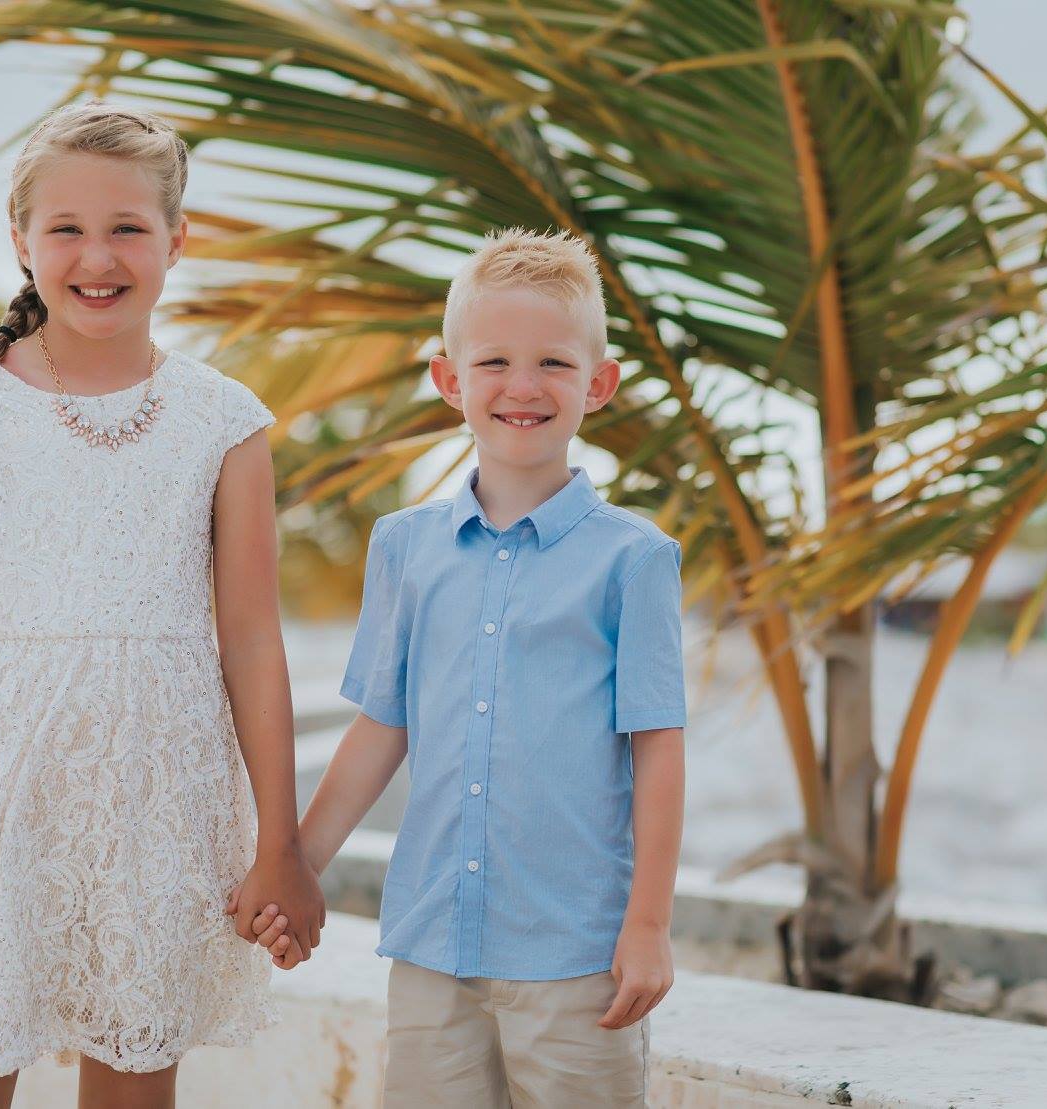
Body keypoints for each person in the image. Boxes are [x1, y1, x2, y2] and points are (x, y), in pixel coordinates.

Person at [0, 100, 322, 1109]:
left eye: (129, 227)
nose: (100, 256)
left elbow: (253, 642)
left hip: (159, 802)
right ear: (21, 242)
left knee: (134, 1084)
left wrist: (279, 843)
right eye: (68, 229)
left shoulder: (223, 420)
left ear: (178, 240)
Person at [252, 228, 688, 1106]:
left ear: (598, 384)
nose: (522, 387)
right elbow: (382, 725)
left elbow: (658, 750)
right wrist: (298, 865)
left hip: (575, 956)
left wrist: (647, 926)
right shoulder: (405, 547)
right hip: (431, 945)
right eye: (492, 361)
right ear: (448, 380)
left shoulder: (633, 558)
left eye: (554, 364)